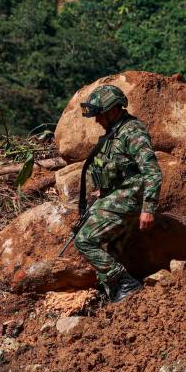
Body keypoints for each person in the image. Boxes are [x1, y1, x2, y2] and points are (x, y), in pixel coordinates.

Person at [75, 84, 161, 303]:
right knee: (113, 249)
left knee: (84, 240)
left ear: (114, 110)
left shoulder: (132, 132)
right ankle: (118, 295)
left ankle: (125, 283)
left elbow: (152, 171)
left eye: (100, 115)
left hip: (129, 197)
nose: (97, 120)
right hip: (118, 195)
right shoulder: (114, 133)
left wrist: (148, 209)